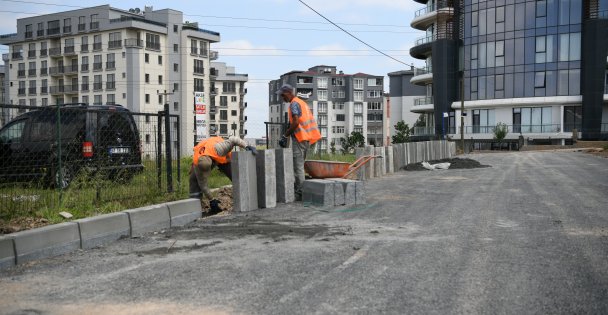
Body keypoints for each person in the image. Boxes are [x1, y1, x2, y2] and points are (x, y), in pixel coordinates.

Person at [277, 84, 321, 201]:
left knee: (298, 167)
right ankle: (301, 191)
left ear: (288, 93)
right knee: (300, 166)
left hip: (300, 138)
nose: (282, 98)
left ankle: (300, 193)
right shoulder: (302, 103)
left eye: (282, 95)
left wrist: (285, 135)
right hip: (307, 138)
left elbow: (296, 122)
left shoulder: (294, 104)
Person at [190, 136, 257, 213]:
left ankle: (245, 198)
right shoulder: (197, 164)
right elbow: (203, 185)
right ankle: (195, 207)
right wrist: (212, 200)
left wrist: (246, 146)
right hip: (207, 158)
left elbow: (234, 139)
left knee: (235, 175)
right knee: (194, 179)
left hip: (222, 156)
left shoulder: (220, 148)